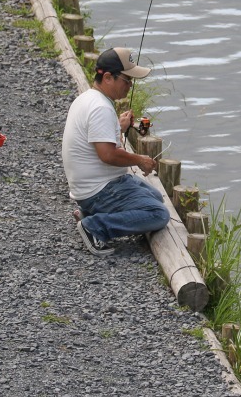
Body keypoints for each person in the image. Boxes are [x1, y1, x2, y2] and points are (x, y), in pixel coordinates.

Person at [62, 47, 171, 256]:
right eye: (126, 80)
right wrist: (139, 159)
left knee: (155, 196)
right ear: (108, 77)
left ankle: (89, 212)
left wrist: (118, 128)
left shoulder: (88, 99)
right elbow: (108, 155)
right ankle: (96, 226)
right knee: (158, 214)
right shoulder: (101, 108)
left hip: (91, 186)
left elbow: (97, 142)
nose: (130, 86)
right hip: (100, 190)